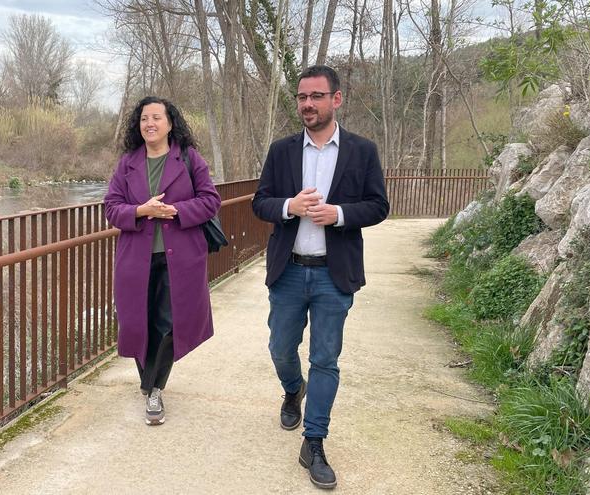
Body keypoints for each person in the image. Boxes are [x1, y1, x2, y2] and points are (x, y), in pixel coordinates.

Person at [252, 65, 389, 489]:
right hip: (289, 270)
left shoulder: (361, 151)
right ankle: (293, 388)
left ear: (336, 99)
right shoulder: (282, 150)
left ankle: (314, 441)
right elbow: (260, 203)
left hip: (334, 275)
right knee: (280, 347)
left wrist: (340, 215)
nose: (307, 104)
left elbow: (378, 206)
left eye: (316, 96)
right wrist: (288, 207)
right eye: (301, 97)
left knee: (326, 359)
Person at [104, 96, 221, 426]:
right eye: (144, 118)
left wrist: (176, 211)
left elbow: (211, 201)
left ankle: (153, 388)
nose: (149, 123)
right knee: (137, 322)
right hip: (135, 260)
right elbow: (111, 207)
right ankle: (151, 383)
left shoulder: (188, 159)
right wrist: (141, 210)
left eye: (156, 117)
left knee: (170, 324)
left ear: (171, 123)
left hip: (181, 258)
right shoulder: (128, 162)